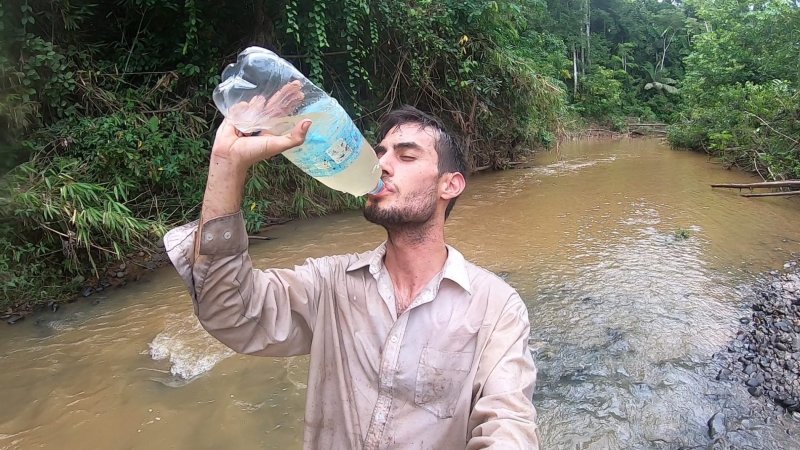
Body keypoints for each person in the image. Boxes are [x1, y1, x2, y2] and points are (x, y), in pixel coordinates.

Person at [164, 105, 539, 449]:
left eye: (406, 156)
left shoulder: (496, 307)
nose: (383, 165)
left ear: (450, 185)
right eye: (380, 154)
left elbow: (508, 425)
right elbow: (229, 311)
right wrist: (227, 166)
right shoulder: (330, 284)